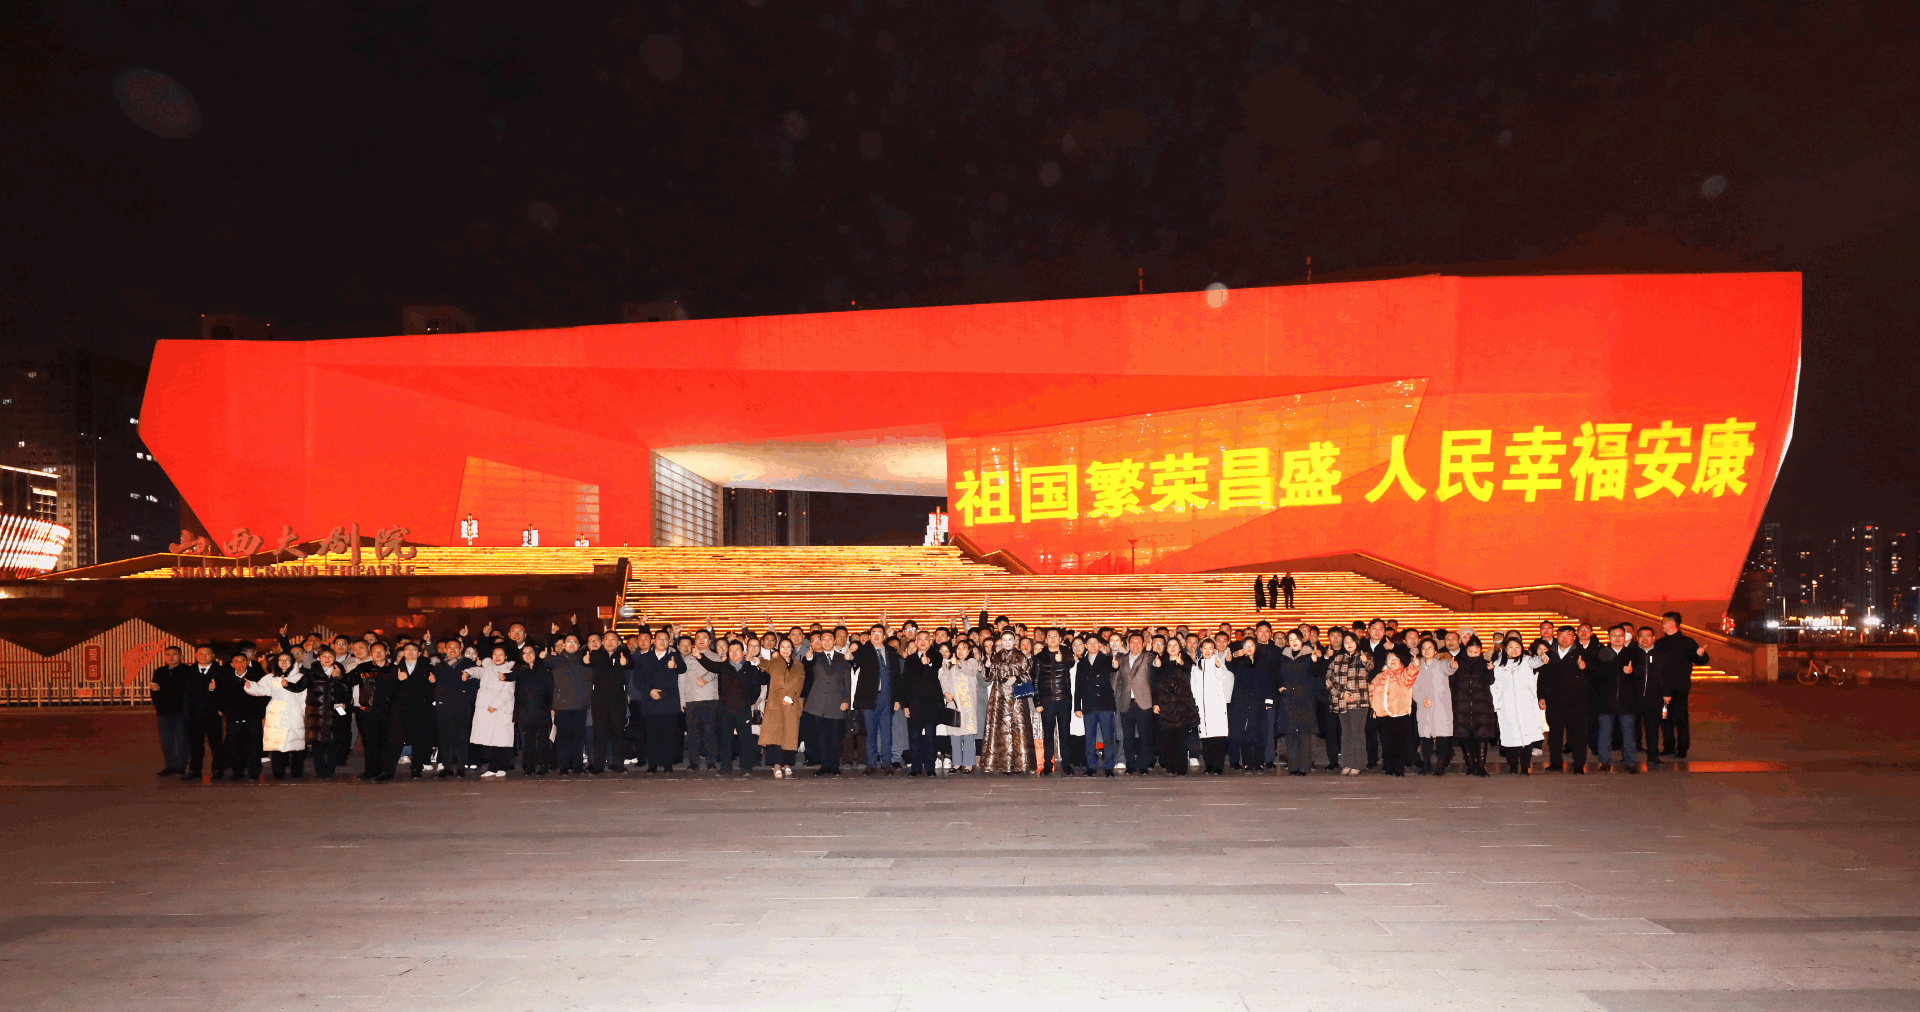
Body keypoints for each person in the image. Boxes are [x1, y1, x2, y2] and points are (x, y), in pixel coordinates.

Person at [980, 632, 1038, 774]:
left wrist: (1017, 678)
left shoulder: (1021, 657)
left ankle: (1021, 764)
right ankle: (1002, 764)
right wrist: (987, 666)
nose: (1007, 642)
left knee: (1019, 729)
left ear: (1014, 641)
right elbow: (988, 678)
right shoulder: (996, 657)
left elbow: (1029, 676)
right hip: (999, 697)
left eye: (1009, 640)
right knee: (1001, 730)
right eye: (1004, 640)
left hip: (1017, 699)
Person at [379, 642, 438, 781]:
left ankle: (416, 769)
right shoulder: (395, 669)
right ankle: (388, 771)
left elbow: (432, 691)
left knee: (419, 741)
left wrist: (433, 682)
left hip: (420, 710)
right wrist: (399, 681)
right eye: (407, 650)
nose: (410, 652)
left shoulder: (428, 668)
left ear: (419, 653)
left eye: (414, 650)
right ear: (403, 652)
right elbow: (388, 690)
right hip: (400, 710)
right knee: (395, 741)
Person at [1652, 612, 1706, 759]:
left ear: (1672, 623)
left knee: (1680, 718)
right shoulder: (1660, 643)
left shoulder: (1688, 642)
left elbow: (1700, 661)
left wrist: (1700, 654)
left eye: (1664, 622)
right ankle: (1668, 746)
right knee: (1665, 717)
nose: (1662, 625)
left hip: (1680, 686)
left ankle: (1682, 748)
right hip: (1663, 687)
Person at [246, 652, 308, 781]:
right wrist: (250, 686)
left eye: (287, 660)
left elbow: (304, 698)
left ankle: (297, 771)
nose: (283, 663)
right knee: (277, 744)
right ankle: (278, 772)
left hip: (295, 712)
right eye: (281, 660)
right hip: (276, 713)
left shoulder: (301, 677)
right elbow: (261, 689)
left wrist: (304, 714)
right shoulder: (271, 678)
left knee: (296, 744)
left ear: (293, 662)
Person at [851, 624, 903, 775]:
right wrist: (850, 655)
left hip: (887, 697)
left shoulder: (891, 651)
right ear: (869, 636)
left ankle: (886, 763)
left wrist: (897, 698)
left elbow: (897, 676)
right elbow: (854, 659)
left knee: (887, 733)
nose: (876, 635)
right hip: (870, 698)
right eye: (873, 632)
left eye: (880, 633)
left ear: (884, 636)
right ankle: (871, 764)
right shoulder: (864, 650)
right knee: (871, 733)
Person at [1595, 626, 1646, 773]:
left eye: (1621, 635)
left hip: (1628, 701)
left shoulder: (1634, 653)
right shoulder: (1602, 653)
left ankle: (1630, 762)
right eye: (1614, 635)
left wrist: (1632, 672)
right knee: (1605, 734)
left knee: (1629, 733)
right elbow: (1596, 676)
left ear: (1626, 637)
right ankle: (1604, 762)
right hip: (1606, 701)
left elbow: (1643, 673)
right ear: (1608, 637)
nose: (1617, 638)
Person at [1539, 627, 1590, 773]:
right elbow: (1543, 677)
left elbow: (1593, 676)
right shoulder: (1549, 654)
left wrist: (1584, 669)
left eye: (1568, 635)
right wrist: (1541, 696)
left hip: (1576, 702)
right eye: (1561, 635)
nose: (1564, 638)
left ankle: (1579, 765)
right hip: (1554, 701)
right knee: (1555, 734)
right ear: (1557, 637)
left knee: (1578, 734)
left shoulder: (1582, 653)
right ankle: (1556, 763)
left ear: (1574, 637)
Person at [1490, 637, 1545, 773]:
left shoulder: (1527, 661)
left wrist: (1543, 657)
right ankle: (1513, 765)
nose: (1514, 650)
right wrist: (1496, 704)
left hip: (1526, 706)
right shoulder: (1497, 665)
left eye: (1517, 647)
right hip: (1506, 707)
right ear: (1505, 649)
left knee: (1527, 737)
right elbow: (1494, 686)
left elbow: (1538, 661)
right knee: (1510, 737)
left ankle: (1525, 765)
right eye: (1511, 647)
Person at [802, 631, 854, 776]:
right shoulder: (815, 657)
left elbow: (847, 681)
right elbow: (808, 665)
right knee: (821, 737)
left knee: (836, 736)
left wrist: (846, 700)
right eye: (823, 639)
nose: (826, 641)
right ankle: (824, 766)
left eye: (829, 638)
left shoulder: (842, 658)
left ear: (834, 641)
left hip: (836, 703)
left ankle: (834, 766)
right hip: (818, 704)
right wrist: (808, 657)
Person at [631, 630, 682, 773]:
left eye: (665, 639)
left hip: (669, 702)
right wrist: (650, 691)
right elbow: (637, 680)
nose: (662, 641)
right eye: (659, 638)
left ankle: (667, 764)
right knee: (651, 735)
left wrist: (675, 666)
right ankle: (652, 764)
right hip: (649, 702)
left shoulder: (674, 656)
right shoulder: (643, 658)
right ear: (654, 641)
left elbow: (683, 669)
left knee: (668, 735)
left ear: (669, 642)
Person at [898, 631, 946, 777]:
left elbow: (936, 664)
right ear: (916, 642)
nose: (923, 641)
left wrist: (928, 662)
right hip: (914, 704)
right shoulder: (910, 659)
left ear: (930, 641)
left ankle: (930, 767)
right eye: (920, 639)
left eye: (926, 639)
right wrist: (905, 705)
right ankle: (916, 768)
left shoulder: (936, 656)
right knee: (914, 737)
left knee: (931, 737)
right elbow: (905, 682)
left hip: (931, 704)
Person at [302, 648, 354, 780]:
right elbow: (299, 687)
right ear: (319, 658)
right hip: (317, 711)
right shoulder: (312, 673)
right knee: (318, 743)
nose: (327, 659)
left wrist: (339, 678)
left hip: (338, 708)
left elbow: (348, 690)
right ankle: (320, 771)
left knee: (335, 740)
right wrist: (287, 685)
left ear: (334, 658)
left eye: (330, 656)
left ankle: (331, 770)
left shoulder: (340, 671)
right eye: (323, 656)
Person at [1325, 631, 1372, 776]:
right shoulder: (1337, 658)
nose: (1349, 644)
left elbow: (1370, 667)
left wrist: (1365, 661)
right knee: (1346, 734)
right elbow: (1328, 680)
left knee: (1358, 733)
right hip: (1342, 702)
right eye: (1346, 642)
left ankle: (1358, 764)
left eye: (1351, 641)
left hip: (1359, 702)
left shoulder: (1364, 656)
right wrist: (1341, 693)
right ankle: (1347, 763)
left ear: (1357, 642)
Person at [1449, 640, 1498, 777]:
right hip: (1462, 704)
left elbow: (1489, 681)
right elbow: (1452, 684)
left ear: (1480, 651)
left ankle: (1481, 766)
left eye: (1476, 651)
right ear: (1466, 651)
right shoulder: (1458, 663)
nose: (1473, 654)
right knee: (1465, 736)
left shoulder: (1485, 664)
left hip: (1481, 704)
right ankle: (1471, 765)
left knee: (1482, 736)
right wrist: (1452, 669)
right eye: (1470, 651)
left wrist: (1490, 671)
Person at [758, 637, 805, 778]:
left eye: (788, 647)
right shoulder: (775, 662)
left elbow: (800, 682)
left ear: (792, 649)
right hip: (776, 703)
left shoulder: (799, 664)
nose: (785, 649)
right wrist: (755, 659)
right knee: (775, 736)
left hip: (791, 704)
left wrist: (791, 697)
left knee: (790, 735)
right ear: (779, 649)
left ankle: (787, 764)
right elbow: (764, 664)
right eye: (782, 646)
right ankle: (776, 765)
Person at [430, 637, 477, 777]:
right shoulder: (439, 666)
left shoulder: (469, 664)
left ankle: (461, 766)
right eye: (449, 647)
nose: (452, 650)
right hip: (444, 705)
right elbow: (434, 685)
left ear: (460, 648)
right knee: (445, 736)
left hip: (462, 704)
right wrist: (432, 682)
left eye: (455, 647)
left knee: (462, 736)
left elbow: (475, 684)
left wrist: (468, 694)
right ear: (445, 650)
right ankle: (448, 767)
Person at [1149, 640, 1198, 774]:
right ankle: (1170, 766)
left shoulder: (1187, 663)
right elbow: (1155, 686)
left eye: (1175, 645)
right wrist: (1155, 703)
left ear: (1180, 648)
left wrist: (1180, 664)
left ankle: (1181, 768)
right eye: (1170, 645)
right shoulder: (1160, 663)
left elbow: (1187, 679)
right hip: (1166, 705)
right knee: (1168, 738)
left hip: (1183, 705)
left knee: (1181, 738)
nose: (1172, 648)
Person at [1030, 628, 1075, 776]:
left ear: (1060, 639)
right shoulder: (1040, 657)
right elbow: (1035, 680)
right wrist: (1037, 702)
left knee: (1065, 734)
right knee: (1048, 734)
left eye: (1055, 636)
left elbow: (1071, 663)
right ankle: (1048, 764)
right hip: (1047, 701)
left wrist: (1063, 660)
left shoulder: (1066, 653)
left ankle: (1067, 764)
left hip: (1064, 699)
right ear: (1046, 639)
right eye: (1050, 636)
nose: (1053, 639)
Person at [1072, 635, 1118, 777]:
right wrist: (1077, 707)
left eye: (1095, 643)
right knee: (1089, 738)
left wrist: (1115, 666)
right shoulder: (1082, 663)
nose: (1092, 645)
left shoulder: (1107, 659)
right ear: (1086, 646)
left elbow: (1113, 668)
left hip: (1105, 703)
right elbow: (1078, 686)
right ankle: (1091, 766)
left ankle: (1109, 767)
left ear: (1099, 645)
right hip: (1089, 704)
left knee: (1108, 737)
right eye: (1089, 643)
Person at [1276, 629, 1320, 775]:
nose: (1293, 642)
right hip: (1288, 698)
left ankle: (1304, 767)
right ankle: (1293, 767)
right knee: (1291, 734)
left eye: (1296, 639)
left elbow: (1316, 674)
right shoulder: (1284, 656)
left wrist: (1315, 662)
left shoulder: (1309, 655)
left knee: (1304, 734)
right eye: (1291, 639)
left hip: (1305, 698)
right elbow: (1278, 675)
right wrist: (1280, 687)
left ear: (1302, 640)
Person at [1412, 638, 1459, 776]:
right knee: (1425, 736)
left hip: (1440, 706)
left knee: (1442, 735)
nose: (1427, 650)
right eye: (1424, 648)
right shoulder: (1417, 665)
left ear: (1435, 651)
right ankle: (1426, 764)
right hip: (1424, 705)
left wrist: (1452, 665)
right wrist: (1421, 699)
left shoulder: (1440, 663)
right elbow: (1414, 686)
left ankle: (1440, 764)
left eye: (1430, 648)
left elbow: (1449, 668)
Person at [218, 651, 267, 782]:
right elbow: (221, 698)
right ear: (232, 664)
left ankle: (254, 771)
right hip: (233, 718)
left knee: (254, 746)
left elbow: (264, 697)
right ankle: (237, 772)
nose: (240, 664)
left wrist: (259, 714)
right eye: (236, 661)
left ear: (247, 663)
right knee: (235, 746)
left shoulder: (257, 677)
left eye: (242, 661)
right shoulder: (226, 678)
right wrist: (228, 712)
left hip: (253, 718)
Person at [179, 645, 226, 781]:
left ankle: (218, 769)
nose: (204, 656)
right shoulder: (188, 672)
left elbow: (227, 693)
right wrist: (186, 712)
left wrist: (221, 709)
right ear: (195, 655)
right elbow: (184, 694)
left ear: (213, 655)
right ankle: (194, 770)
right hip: (193, 715)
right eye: (201, 653)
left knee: (216, 745)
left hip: (213, 715)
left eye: (207, 653)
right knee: (195, 745)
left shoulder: (221, 672)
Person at [470, 645, 517, 777]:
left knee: (502, 740)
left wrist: (495, 705)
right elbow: (477, 671)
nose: (497, 657)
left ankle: (503, 767)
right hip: (487, 710)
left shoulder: (510, 670)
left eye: (500, 654)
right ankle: (492, 767)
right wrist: (468, 673)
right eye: (495, 654)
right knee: (489, 740)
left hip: (502, 709)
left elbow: (508, 691)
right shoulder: (487, 669)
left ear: (506, 656)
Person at [587, 632, 631, 774]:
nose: (610, 642)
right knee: (599, 733)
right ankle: (598, 765)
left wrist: (626, 662)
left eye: (613, 639)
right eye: (607, 639)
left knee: (618, 733)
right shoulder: (596, 654)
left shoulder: (623, 653)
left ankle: (617, 764)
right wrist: (585, 660)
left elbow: (632, 665)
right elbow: (586, 660)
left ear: (618, 642)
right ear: (602, 642)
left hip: (618, 700)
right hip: (599, 701)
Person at [1368, 650, 1417, 776]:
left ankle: (1399, 768)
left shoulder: (1403, 674)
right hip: (1383, 715)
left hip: (1400, 714)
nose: (1392, 661)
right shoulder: (1379, 676)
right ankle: (1389, 766)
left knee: (1400, 743)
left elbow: (1411, 674)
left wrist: (1414, 665)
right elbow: (1371, 692)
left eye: (1395, 658)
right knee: (1386, 742)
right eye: (1389, 659)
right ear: (1385, 662)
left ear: (1400, 660)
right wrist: (1375, 707)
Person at [352, 643, 396, 780]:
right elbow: (349, 679)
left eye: (380, 650)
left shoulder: (394, 669)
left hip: (388, 712)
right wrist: (339, 675)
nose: (378, 653)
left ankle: (385, 771)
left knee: (385, 742)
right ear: (371, 653)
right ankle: (370, 770)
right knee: (369, 742)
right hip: (367, 711)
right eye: (374, 651)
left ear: (386, 652)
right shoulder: (362, 668)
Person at [1190, 638, 1234, 775]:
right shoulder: (1196, 665)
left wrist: (1219, 667)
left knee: (1218, 738)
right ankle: (1209, 765)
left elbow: (1222, 677)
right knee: (1206, 738)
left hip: (1216, 706)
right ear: (1201, 649)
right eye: (1205, 648)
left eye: (1210, 648)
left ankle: (1218, 765)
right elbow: (1193, 686)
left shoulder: (1218, 662)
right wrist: (1195, 703)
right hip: (1202, 708)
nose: (1207, 651)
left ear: (1214, 650)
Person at [510, 643, 555, 775]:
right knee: (528, 740)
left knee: (543, 739)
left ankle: (544, 764)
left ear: (536, 654)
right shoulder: (519, 670)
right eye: (525, 653)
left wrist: (552, 707)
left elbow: (551, 689)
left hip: (542, 710)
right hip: (525, 711)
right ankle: (529, 765)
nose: (528, 655)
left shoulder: (544, 669)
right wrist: (504, 676)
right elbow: (509, 676)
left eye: (530, 652)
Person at [1113, 632, 1154, 775]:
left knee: (1144, 736)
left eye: (1138, 642)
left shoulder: (1148, 657)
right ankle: (1130, 764)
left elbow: (1154, 662)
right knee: (1128, 736)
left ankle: (1143, 766)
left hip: (1143, 702)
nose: (1135, 645)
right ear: (1128, 644)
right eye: (1133, 642)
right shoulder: (1121, 658)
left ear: (1143, 644)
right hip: (1125, 702)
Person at [147, 646, 190, 776]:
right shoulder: (159, 671)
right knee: (166, 741)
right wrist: (158, 698)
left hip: (182, 712)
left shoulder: (187, 671)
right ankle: (169, 766)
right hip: (163, 712)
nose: (170, 657)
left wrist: (162, 689)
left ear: (181, 656)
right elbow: (154, 691)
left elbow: (183, 690)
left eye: (174, 654)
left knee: (183, 740)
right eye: (167, 654)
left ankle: (181, 766)